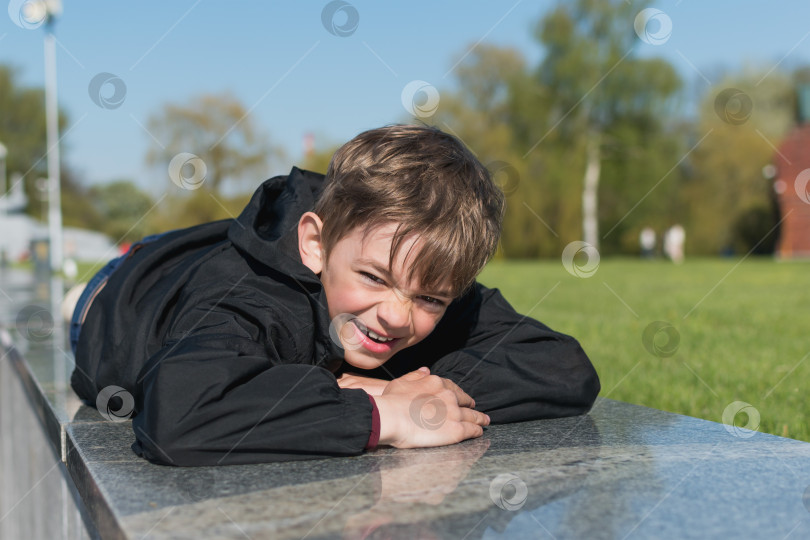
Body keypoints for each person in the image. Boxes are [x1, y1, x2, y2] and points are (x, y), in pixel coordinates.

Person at [69, 124, 600, 467]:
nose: (396, 315)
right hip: (124, 289)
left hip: (240, 250)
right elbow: (177, 413)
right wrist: (381, 414)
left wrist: (415, 391)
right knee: (99, 294)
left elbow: (564, 368)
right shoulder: (255, 301)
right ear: (316, 245)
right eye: (373, 278)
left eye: (431, 300)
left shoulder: (412, 265)